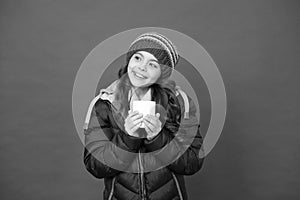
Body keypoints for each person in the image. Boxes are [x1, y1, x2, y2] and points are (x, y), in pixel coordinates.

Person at [83, 32, 204, 200]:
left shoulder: (179, 103)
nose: (141, 67)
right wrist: (128, 138)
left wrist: (157, 138)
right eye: (138, 58)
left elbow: (192, 162)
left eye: (152, 64)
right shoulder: (104, 103)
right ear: (129, 60)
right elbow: (94, 166)